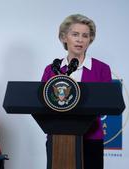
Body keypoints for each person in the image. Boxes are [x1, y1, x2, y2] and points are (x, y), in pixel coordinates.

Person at [41, 14, 112, 169]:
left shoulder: (102, 69)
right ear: (64, 37)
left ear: (89, 40)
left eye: (85, 36)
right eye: (75, 34)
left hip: (91, 139)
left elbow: (107, 104)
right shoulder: (52, 69)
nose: (80, 40)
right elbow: (42, 103)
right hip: (58, 137)